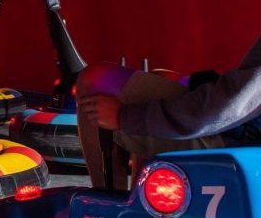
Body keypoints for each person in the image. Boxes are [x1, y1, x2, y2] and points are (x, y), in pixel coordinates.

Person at [77, 36, 261, 190]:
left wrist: (124, 116)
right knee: (159, 77)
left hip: (237, 147)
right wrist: (191, 81)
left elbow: (231, 105)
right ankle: (140, 206)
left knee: (95, 80)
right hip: (244, 131)